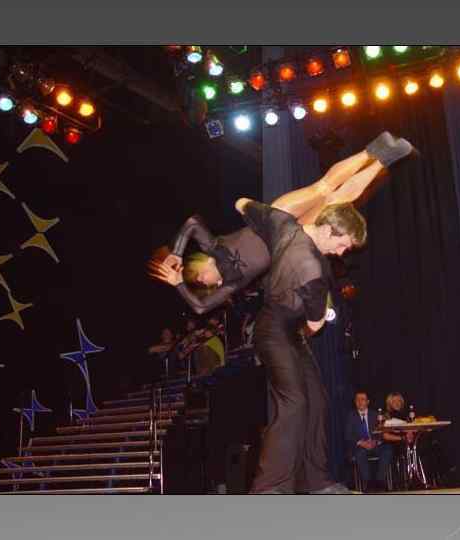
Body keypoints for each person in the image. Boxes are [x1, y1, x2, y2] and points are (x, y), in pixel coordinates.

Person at [148, 132, 415, 314]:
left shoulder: (213, 246)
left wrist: (177, 252)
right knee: (337, 200)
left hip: (272, 219)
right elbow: (200, 307)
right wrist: (179, 284)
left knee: (323, 188)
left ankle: (372, 150)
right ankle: (382, 159)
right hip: (290, 238)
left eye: (204, 280)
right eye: (208, 286)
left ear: (201, 267)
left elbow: (193, 222)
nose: (211, 283)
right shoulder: (232, 283)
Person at [236, 198, 368, 495]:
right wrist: (320, 314)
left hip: (287, 330)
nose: (342, 252)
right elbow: (316, 325)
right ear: (329, 230)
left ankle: (317, 482)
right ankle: (269, 488)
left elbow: (241, 203)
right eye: (343, 244)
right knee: (294, 402)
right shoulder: (311, 267)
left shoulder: (285, 224)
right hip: (275, 330)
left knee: (317, 400)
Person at [344, 391, 393, 492]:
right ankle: (368, 483)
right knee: (360, 453)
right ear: (355, 402)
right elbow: (348, 435)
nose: (360, 402)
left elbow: (381, 432)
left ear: (368, 402)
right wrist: (361, 443)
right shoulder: (350, 416)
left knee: (387, 450)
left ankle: (380, 481)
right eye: (357, 400)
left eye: (362, 399)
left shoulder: (375, 415)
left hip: (375, 445)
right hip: (360, 446)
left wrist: (375, 441)